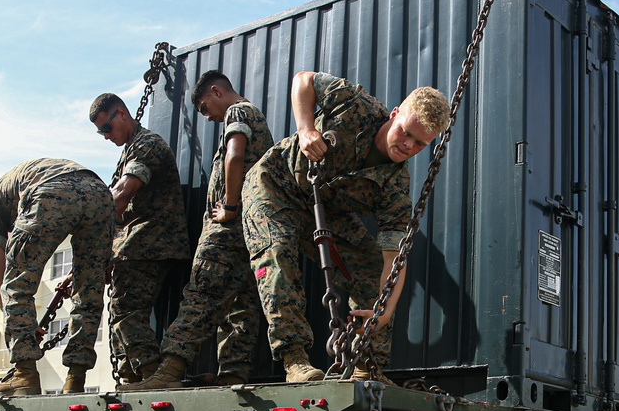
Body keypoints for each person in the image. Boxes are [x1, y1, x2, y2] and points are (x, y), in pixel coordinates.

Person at [242, 71, 449, 383]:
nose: (408, 145)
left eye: (420, 143)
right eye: (405, 132)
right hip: (275, 185)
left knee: (371, 267)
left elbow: (395, 256)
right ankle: (295, 359)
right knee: (278, 250)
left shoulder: (395, 185)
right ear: (394, 115)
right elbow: (303, 81)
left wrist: (385, 310)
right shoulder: (354, 104)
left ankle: (366, 365)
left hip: (324, 210)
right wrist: (306, 129)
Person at [121, 70, 273, 390]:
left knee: (200, 294)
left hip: (228, 229)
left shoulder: (238, 111)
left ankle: (169, 371)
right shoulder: (256, 116)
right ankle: (233, 372)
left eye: (205, 108)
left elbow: (235, 155)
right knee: (239, 301)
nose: (207, 117)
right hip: (251, 229)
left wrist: (229, 207)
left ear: (216, 92)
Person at [0, 158, 115, 396]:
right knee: (88, 290)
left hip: (51, 189)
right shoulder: (15, 185)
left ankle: (25, 375)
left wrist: (22, 324)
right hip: (100, 192)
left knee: (16, 286)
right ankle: (75, 379)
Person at [90, 93, 190, 384]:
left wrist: (96, 244)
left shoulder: (147, 145)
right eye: (101, 132)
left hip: (150, 243)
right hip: (136, 244)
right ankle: (131, 374)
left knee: (126, 311)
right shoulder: (130, 149)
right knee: (122, 311)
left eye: (107, 128)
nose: (106, 137)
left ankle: (151, 372)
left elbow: (121, 196)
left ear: (122, 113)